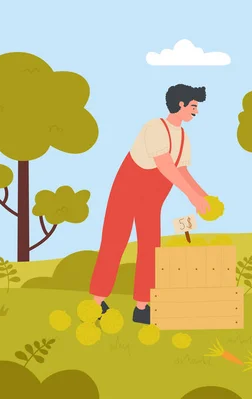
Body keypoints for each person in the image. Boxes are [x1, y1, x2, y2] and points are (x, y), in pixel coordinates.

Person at [89, 84, 210, 324]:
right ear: (181, 104)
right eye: (194, 106)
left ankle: (142, 307)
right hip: (127, 191)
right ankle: (97, 301)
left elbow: (182, 170)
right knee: (114, 241)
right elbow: (165, 165)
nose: (196, 111)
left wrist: (201, 196)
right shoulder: (155, 127)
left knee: (151, 248)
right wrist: (192, 196)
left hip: (152, 198)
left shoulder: (184, 137)